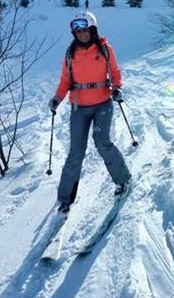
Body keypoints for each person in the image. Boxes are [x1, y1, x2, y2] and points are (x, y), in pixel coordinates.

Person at [50, 11, 130, 212]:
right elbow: (65, 80)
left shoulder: (104, 49)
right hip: (79, 107)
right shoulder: (70, 54)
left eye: (85, 29)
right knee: (76, 151)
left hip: (103, 103)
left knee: (102, 142)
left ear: (92, 29)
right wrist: (57, 98)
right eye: (77, 31)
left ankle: (123, 180)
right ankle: (65, 198)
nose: (81, 34)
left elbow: (115, 71)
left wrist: (117, 88)